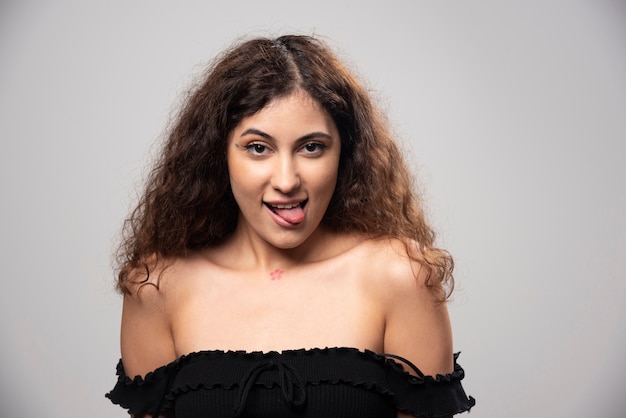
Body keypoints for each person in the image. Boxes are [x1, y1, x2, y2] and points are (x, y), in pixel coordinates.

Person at [106, 34, 475, 418]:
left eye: (311, 147)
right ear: (217, 153)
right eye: (258, 148)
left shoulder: (400, 277)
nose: (286, 180)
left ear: (344, 153)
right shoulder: (155, 287)